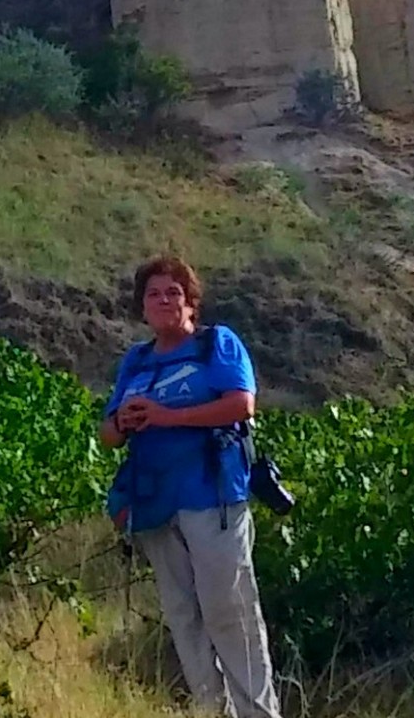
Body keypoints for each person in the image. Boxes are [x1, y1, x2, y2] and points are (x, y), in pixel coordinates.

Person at [103, 256, 279, 718]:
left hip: (212, 495)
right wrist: (123, 421)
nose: (164, 301)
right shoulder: (136, 361)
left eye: (173, 293)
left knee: (229, 610)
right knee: (183, 614)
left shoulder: (215, 345)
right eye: (154, 294)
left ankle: (259, 713)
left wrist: (169, 418)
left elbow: (242, 404)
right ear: (142, 307)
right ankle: (209, 709)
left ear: (191, 303)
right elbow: (107, 435)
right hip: (156, 501)